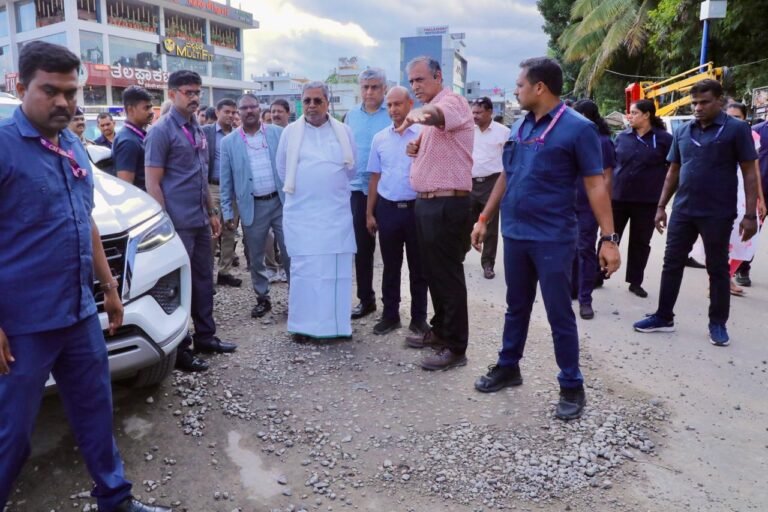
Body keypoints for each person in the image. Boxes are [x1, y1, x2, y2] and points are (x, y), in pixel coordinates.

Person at [0, 40, 170, 512]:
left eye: (70, 92)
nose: (62, 102)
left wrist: (111, 289)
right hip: (23, 325)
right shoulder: (3, 149)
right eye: (49, 90)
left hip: (78, 313)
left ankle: (116, 500)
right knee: (11, 435)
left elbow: (85, 219)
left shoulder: (72, 143)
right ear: (21, 85)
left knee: (96, 412)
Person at [471, 57, 620, 420]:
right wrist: (484, 217)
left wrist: (609, 238)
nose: (516, 90)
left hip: (553, 237)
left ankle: (571, 384)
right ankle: (509, 366)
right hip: (516, 233)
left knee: (558, 313)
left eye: (520, 84)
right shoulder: (521, 126)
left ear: (540, 87)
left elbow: (595, 183)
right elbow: (507, 175)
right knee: (515, 306)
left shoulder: (578, 129)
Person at [633, 79, 759, 347]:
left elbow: (749, 171)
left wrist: (750, 214)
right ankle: (664, 316)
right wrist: (660, 207)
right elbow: (673, 171)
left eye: (704, 102)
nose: (697, 107)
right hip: (683, 210)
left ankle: (717, 324)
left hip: (718, 212)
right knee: (672, 263)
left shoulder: (736, 129)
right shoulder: (683, 131)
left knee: (717, 269)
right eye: (694, 103)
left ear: (719, 101)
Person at [145, 70, 237, 372]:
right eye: (188, 92)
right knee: (179, 286)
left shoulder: (197, 127)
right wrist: (164, 223)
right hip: (177, 223)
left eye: (198, 92)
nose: (195, 97)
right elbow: (153, 183)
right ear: (172, 94)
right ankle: (181, 349)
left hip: (199, 219)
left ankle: (206, 337)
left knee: (203, 280)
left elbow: (199, 175)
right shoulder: (161, 131)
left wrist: (211, 213)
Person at [398, 56, 474, 372]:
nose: (415, 86)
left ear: (438, 76)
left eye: (420, 80)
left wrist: (416, 115)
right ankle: (441, 331)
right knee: (434, 274)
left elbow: (434, 116)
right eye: (411, 81)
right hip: (428, 204)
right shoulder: (433, 114)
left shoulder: (451, 102)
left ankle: (456, 347)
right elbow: (432, 141)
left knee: (448, 276)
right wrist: (414, 150)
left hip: (447, 205)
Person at [276, 82, 357, 341]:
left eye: (317, 101)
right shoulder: (290, 132)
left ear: (327, 103)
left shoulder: (344, 131)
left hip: (335, 215)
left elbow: (351, 169)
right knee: (304, 272)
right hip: (302, 216)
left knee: (335, 273)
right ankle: (303, 327)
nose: (311, 106)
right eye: (307, 101)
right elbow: (282, 169)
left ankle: (336, 328)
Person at [365, 86, 429, 336]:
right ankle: (390, 316)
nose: (393, 109)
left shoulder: (425, 134)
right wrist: (370, 213)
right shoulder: (380, 138)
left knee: (419, 268)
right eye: (389, 105)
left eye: (398, 104)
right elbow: (374, 177)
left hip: (417, 210)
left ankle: (419, 319)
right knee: (390, 267)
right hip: (388, 209)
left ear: (409, 104)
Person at [220, 93, 288, 319]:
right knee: (256, 256)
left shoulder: (278, 134)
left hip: (280, 203)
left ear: (260, 109)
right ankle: (262, 297)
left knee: (290, 252)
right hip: (253, 207)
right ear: (238, 113)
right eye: (244, 108)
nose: (249, 111)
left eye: (252, 107)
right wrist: (228, 212)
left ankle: (297, 297)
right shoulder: (228, 143)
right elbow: (226, 181)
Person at [608, 99, 674, 299]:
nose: (630, 116)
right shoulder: (622, 138)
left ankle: (635, 282)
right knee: (610, 238)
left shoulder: (664, 139)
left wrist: (662, 200)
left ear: (647, 115)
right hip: (618, 198)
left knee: (640, 242)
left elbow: (672, 169)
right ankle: (599, 274)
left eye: (634, 112)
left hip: (647, 200)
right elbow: (612, 165)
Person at [346, 68, 391, 320]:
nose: (370, 92)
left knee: (389, 249)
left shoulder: (393, 113)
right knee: (362, 249)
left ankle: (390, 305)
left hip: (387, 191)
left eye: (375, 87)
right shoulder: (351, 116)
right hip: (357, 191)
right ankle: (366, 299)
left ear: (383, 88)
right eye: (365, 87)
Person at [571, 99, 616, 319]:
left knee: (585, 249)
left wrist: (602, 210)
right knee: (568, 249)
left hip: (589, 205)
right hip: (567, 203)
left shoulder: (603, 142)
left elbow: (606, 178)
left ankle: (585, 299)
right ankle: (572, 288)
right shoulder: (571, 138)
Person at [723, 102, 765, 296]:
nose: (732, 121)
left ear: (745, 120)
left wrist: (760, 199)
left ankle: (727, 276)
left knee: (746, 239)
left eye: (737, 117)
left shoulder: (752, 137)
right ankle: (717, 281)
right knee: (719, 238)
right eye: (728, 116)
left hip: (744, 193)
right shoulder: (716, 134)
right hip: (720, 192)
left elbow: (754, 170)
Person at [202, 98, 242, 288]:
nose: (231, 115)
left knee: (230, 230)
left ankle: (224, 271)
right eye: (227, 111)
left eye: (234, 112)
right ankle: (207, 276)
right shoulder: (206, 133)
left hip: (232, 190)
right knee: (213, 231)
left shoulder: (239, 135)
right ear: (217, 112)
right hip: (212, 187)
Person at [470, 96, 510, 279]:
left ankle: (488, 264)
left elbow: (508, 161)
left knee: (490, 226)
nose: (474, 115)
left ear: (489, 112)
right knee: (462, 220)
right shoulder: (469, 131)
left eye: (478, 112)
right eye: (473, 112)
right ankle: (461, 251)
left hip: (492, 183)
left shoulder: (503, 132)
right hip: (469, 183)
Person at [735, 113, 768, 286]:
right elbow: (751, 167)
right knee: (751, 231)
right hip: (759, 190)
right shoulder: (756, 132)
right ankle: (741, 268)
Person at [113, 85, 154, 191]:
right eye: (146, 108)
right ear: (130, 110)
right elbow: (126, 186)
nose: (151, 112)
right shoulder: (128, 141)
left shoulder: (136, 135)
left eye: (151, 107)